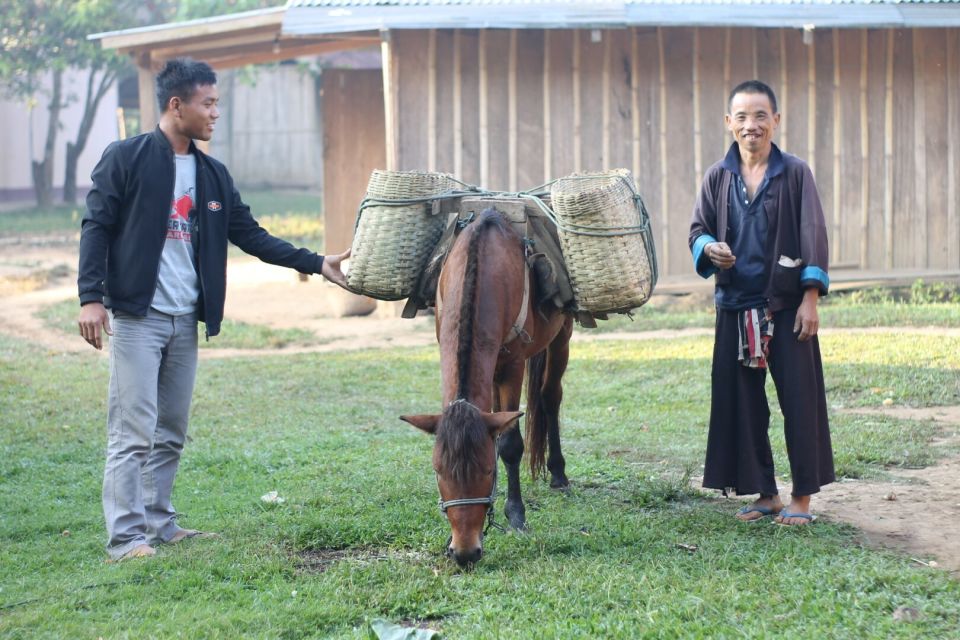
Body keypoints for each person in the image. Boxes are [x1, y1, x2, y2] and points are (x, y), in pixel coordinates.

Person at [77, 58, 350, 561]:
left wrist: (316, 261)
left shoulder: (212, 174)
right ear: (176, 105)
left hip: (185, 319)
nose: (215, 113)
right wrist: (91, 297)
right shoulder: (127, 157)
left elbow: (250, 235)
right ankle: (124, 538)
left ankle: (159, 523)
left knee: (171, 430)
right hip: (139, 317)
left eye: (217, 103)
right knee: (132, 429)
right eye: (208, 103)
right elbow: (96, 225)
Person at [688, 80, 835, 526]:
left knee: (799, 400)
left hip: (786, 307)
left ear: (775, 120)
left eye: (759, 116)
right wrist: (709, 248)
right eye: (742, 117)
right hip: (735, 308)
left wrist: (810, 298)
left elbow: (813, 233)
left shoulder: (794, 173)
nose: (751, 126)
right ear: (728, 123)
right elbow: (698, 229)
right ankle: (766, 493)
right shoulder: (718, 176)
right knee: (745, 404)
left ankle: (802, 499)